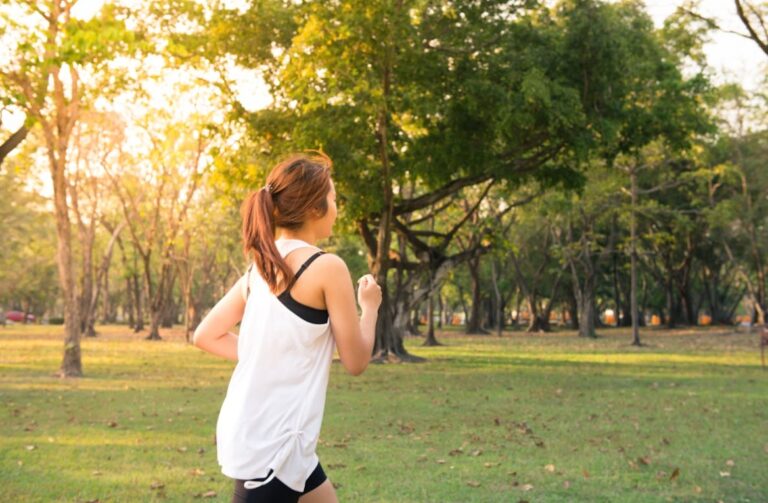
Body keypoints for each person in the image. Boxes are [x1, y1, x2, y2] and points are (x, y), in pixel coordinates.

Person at [193, 153, 382, 503]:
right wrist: (369, 308)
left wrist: (268, 355)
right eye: (334, 199)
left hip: (275, 438)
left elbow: (205, 335)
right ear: (314, 207)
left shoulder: (259, 269)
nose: (337, 208)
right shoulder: (327, 267)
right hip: (272, 448)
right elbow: (356, 361)